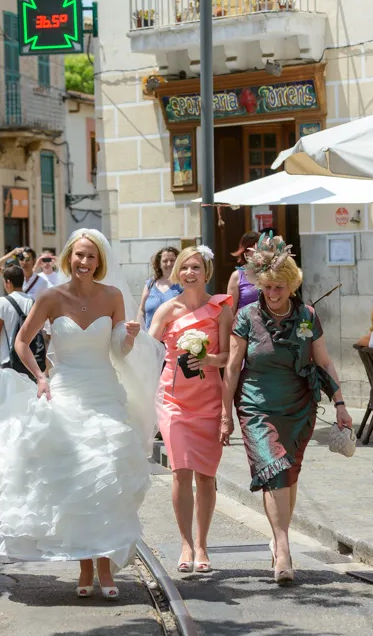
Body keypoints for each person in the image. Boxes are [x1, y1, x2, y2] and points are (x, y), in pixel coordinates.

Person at [0, 229, 164, 600]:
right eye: (79, 255)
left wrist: (131, 336)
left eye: (91, 256)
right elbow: (22, 340)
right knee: (75, 478)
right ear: (69, 257)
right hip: (67, 388)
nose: (84, 262)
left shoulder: (113, 296)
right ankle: (85, 563)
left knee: (108, 471)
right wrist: (39, 376)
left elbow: (119, 350)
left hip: (104, 391)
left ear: (99, 262)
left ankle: (106, 564)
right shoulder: (51, 297)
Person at [222, 233, 352, 585]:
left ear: (291, 284)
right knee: (274, 470)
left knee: (288, 472)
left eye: (279, 286)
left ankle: (278, 539)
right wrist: (225, 416)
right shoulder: (247, 315)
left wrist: (340, 403)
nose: (273, 293)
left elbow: (323, 360)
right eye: (267, 286)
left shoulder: (307, 315)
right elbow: (233, 366)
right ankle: (283, 548)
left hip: (298, 405)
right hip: (256, 405)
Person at [148, 246, 233, 575]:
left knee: (206, 475)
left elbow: (227, 358)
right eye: (184, 267)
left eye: (195, 267)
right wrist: (124, 338)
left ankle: (202, 544)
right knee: (180, 471)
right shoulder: (167, 310)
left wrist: (208, 360)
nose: (189, 273)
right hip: (174, 401)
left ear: (206, 271)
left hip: (209, 398)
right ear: (176, 272)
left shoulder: (221, 309)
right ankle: (185, 543)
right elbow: (147, 349)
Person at [136, 246, 182, 330]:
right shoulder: (150, 283)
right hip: (150, 339)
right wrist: (140, 333)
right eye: (165, 261)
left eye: (172, 260)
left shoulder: (182, 284)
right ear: (159, 264)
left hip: (173, 339)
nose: (169, 264)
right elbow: (141, 310)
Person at [227, 232, 261, 312]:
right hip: (244, 322)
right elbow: (231, 309)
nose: (259, 252)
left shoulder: (270, 272)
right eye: (255, 249)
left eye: (262, 248)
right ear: (245, 253)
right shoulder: (237, 276)